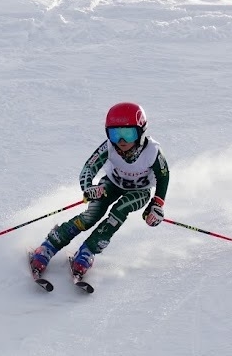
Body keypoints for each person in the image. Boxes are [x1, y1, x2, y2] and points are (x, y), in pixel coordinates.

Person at [30, 102, 170, 277]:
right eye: (115, 134)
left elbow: (163, 176)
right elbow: (88, 169)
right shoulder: (109, 147)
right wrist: (89, 188)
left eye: (128, 134)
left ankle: (88, 250)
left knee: (119, 211)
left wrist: (157, 204)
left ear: (141, 132)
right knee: (91, 216)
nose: (121, 141)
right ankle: (50, 244)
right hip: (112, 184)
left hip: (140, 191)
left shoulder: (153, 152)